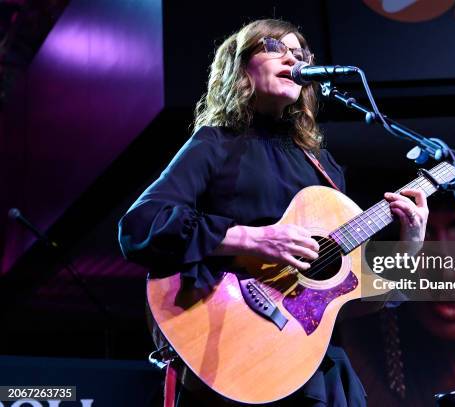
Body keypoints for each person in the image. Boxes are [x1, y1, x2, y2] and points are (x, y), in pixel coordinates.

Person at [117, 19, 428, 406]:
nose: (293, 58)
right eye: (275, 47)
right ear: (241, 65)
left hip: (311, 368)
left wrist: (410, 247)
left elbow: (350, 297)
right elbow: (141, 224)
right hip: (230, 348)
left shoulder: (324, 168)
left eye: (300, 53)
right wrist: (255, 238)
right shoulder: (215, 143)